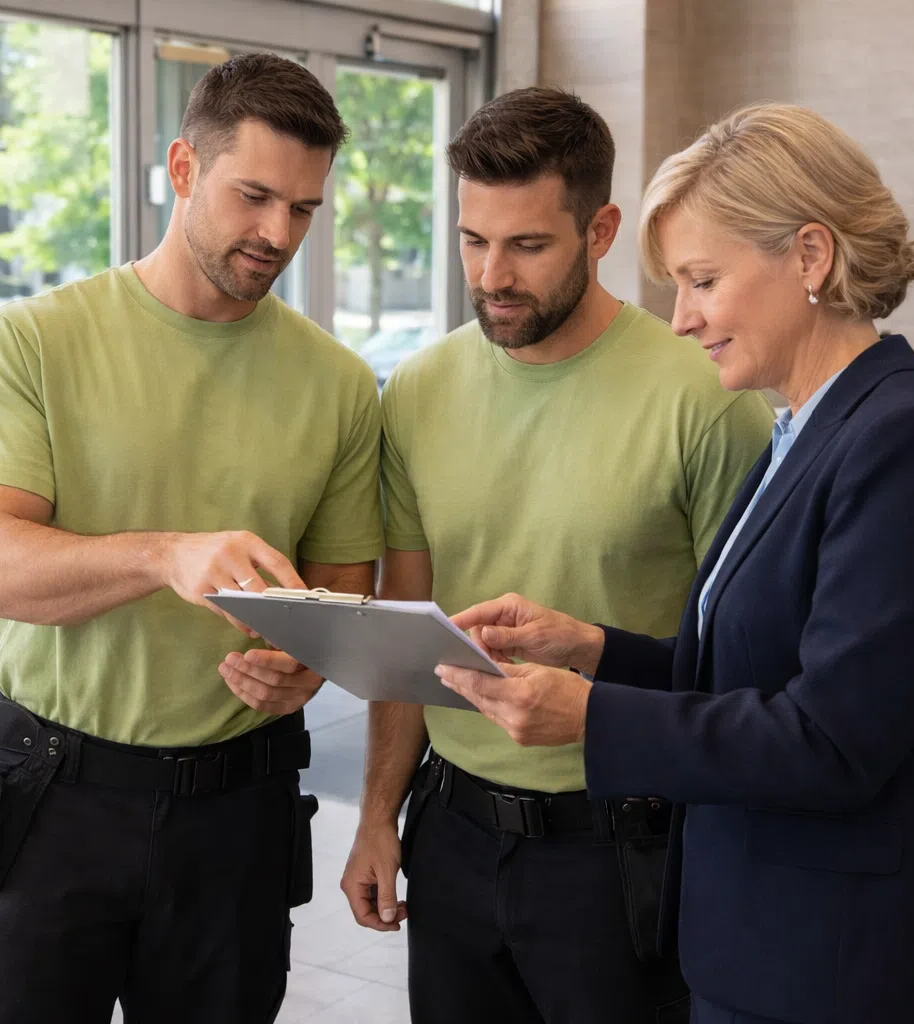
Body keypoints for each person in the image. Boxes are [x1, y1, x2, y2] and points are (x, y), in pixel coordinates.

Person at [439, 103, 914, 1024]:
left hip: (849, 967)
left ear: (811, 257)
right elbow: (749, 676)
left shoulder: (906, 445)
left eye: (702, 280)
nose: (681, 319)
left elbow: (831, 742)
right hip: (769, 941)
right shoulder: (805, 431)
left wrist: (588, 716)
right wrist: (590, 649)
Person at [0, 54, 384, 1024]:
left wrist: (303, 667)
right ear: (183, 168)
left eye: (303, 209)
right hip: (51, 795)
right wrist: (162, 555)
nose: (277, 233)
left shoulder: (341, 384)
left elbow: (340, 594)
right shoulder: (34, 340)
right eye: (253, 196)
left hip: (239, 812)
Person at [340, 87, 773, 1024]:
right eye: (472, 240)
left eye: (528, 245)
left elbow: (747, 667)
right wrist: (378, 815)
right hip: (451, 832)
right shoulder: (416, 390)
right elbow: (408, 633)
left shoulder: (708, 398)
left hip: (627, 842)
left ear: (600, 231)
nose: (492, 275)